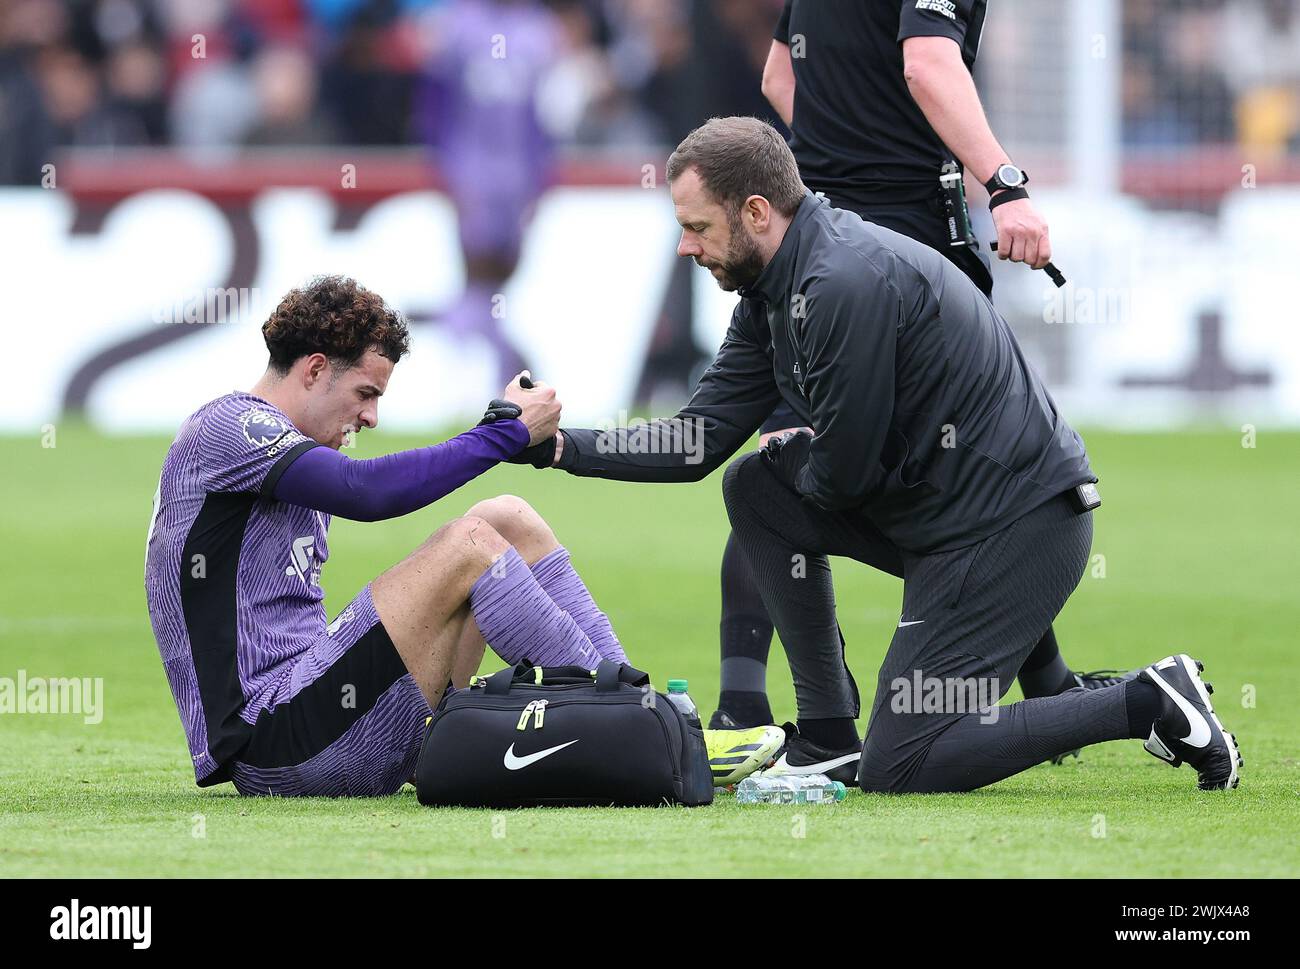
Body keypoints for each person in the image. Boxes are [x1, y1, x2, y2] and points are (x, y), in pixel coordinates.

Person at [520, 118, 1241, 792]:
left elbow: (845, 475)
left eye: (696, 227)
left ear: (758, 212)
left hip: (1017, 526)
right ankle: (827, 733)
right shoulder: (775, 288)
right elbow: (699, 438)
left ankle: (1146, 699)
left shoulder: (840, 282)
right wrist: (557, 447)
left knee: (904, 760)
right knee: (756, 487)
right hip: (952, 514)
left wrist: (805, 457)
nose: (686, 246)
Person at [143, 275, 781, 797]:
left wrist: (503, 438)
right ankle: (654, 727)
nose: (370, 415)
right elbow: (369, 493)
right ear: (313, 370)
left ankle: (639, 708)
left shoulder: (289, 446)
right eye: (365, 392)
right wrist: (503, 432)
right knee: (471, 545)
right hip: (275, 742)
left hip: (326, 714)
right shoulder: (226, 431)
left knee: (507, 517)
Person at [707, 0, 1123, 737]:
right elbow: (928, 63)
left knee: (779, 460)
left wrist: (840, 159)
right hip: (905, 237)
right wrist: (1004, 184)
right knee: (954, 470)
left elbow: (780, 75)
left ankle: (749, 705)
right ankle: (1044, 684)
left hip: (813, 222)